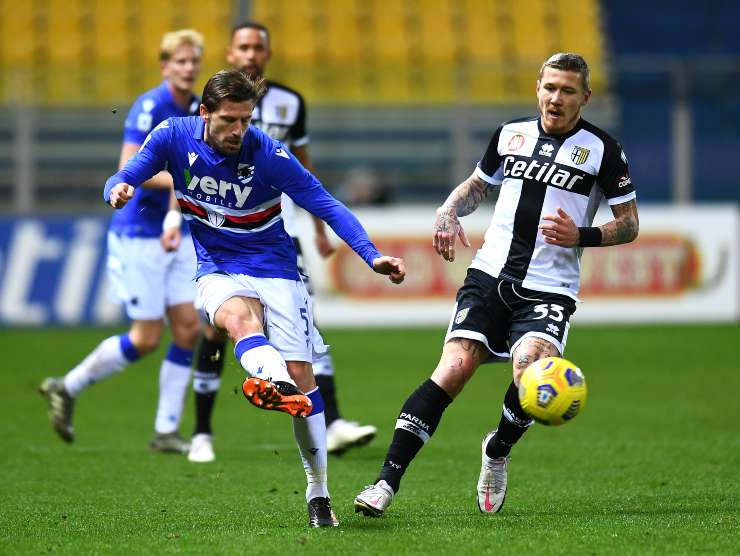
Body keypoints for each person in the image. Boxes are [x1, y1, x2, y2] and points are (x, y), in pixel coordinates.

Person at [104, 69, 406, 527]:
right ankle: (273, 379)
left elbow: (325, 204)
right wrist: (118, 188)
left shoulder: (267, 153)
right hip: (218, 268)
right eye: (229, 120)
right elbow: (127, 172)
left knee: (306, 384)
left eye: (245, 120)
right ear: (204, 113)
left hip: (278, 270)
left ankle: (318, 490)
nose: (238, 130)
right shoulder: (173, 135)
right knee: (238, 321)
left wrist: (371, 255)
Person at [354, 52, 639, 517]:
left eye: (568, 91)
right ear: (537, 87)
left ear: (585, 97)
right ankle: (385, 483)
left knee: (530, 372)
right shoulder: (511, 134)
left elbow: (629, 224)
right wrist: (447, 211)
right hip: (490, 274)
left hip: (550, 287)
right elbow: (475, 186)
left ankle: (497, 450)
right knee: (454, 368)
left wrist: (582, 235)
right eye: (550, 87)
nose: (556, 98)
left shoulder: (604, 151)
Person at [183, 21, 378, 464]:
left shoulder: (291, 104)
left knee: (303, 325)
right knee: (215, 328)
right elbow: (181, 169)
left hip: (276, 233)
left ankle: (328, 420)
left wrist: (317, 230)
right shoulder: (206, 106)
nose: (251, 54)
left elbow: (306, 173)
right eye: (243, 47)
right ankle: (201, 430)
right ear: (231, 54)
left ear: (267, 56)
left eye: (258, 48)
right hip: (217, 233)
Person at [39, 30, 206, 454]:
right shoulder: (150, 107)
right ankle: (69, 385)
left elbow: (180, 173)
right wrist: (189, 184)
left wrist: (177, 208)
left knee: (188, 328)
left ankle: (166, 430)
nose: (188, 68)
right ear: (165, 65)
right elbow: (130, 169)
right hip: (138, 232)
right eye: (180, 61)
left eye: (193, 61)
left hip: (173, 230)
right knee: (148, 337)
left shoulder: (196, 109)